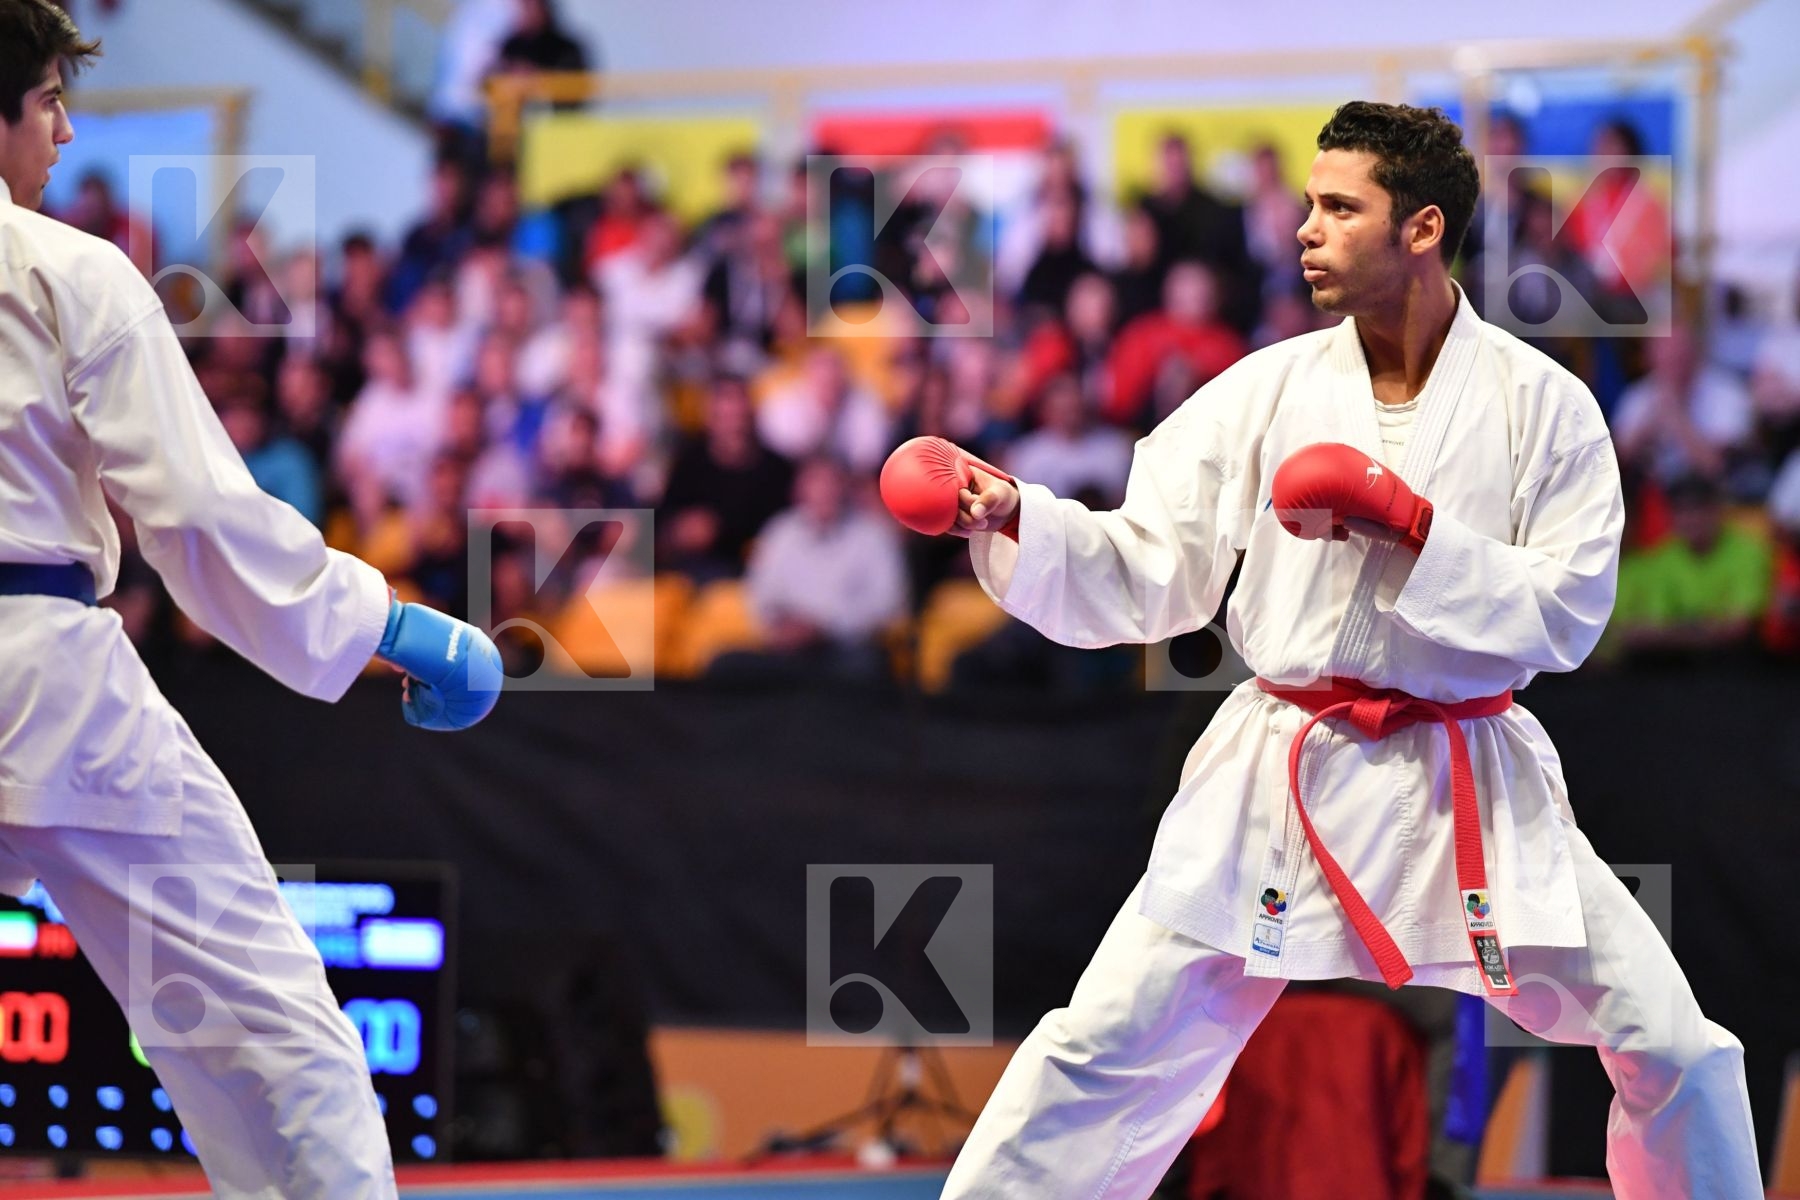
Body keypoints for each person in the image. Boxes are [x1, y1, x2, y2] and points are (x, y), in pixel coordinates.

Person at [882, 101, 1758, 1199]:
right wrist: (1015, 513)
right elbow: (1153, 560)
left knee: (1675, 1049)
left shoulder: (1548, 408)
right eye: (1308, 203)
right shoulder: (1266, 391)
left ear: (1424, 229)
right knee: (1100, 1053)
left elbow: (1570, 613)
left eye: (1340, 207)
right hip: (1279, 775)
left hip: (1465, 780)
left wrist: (1415, 531)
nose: (1306, 228)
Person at [0, 4, 503, 1197]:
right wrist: (387, 625)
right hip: (50, 691)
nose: (66, 129)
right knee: (277, 1041)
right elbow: (197, 519)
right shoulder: (64, 270)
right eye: (48, 100)